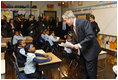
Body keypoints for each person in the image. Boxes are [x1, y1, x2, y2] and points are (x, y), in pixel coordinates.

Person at [62, 10, 101, 79]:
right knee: (83, 70)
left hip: (91, 51)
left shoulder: (83, 22)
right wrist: (70, 45)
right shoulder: (73, 25)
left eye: (65, 20)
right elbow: (77, 39)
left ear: (70, 18)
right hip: (84, 51)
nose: (64, 22)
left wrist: (79, 45)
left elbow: (90, 36)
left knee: (91, 72)